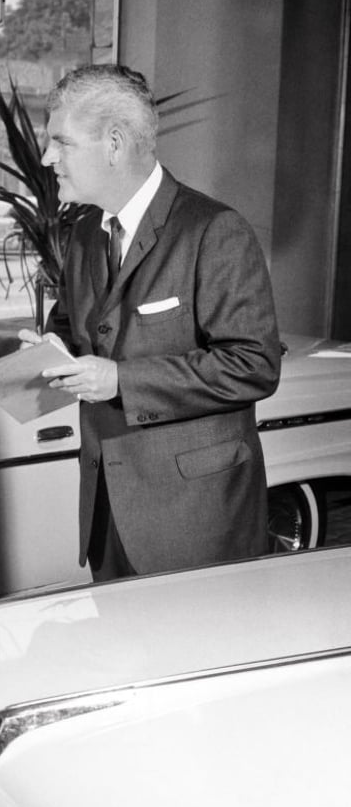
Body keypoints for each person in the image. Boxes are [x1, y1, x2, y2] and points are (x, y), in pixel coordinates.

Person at [24, 64, 282, 581]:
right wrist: (48, 350)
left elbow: (254, 366)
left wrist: (119, 380)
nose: (49, 158)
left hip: (196, 522)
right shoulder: (85, 236)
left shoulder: (214, 231)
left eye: (61, 142)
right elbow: (76, 330)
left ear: (114, 143)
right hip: (108, 513)